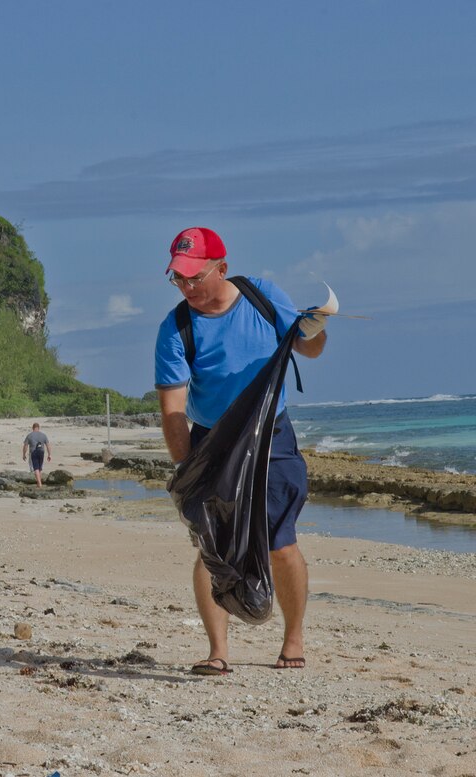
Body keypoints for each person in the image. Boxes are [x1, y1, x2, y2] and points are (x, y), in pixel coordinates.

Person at [154, 226, 329, 676]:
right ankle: (218, 650)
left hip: (272, 436)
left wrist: (315, 328)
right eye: (179, 278)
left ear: (222, 268)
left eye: (195, 277)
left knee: (280, 543)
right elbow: (173, 410)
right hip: (212, 442)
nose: (187, 287)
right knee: (212, 544)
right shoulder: (175, 329)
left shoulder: (261, 297)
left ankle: (293, 639)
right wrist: (187, 472)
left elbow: (309, 349)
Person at [22, 422, 52, 487]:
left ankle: (39, 484)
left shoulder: (29, 435)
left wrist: (24, 454)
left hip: (33, 452)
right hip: (41, 452)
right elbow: (48, 445)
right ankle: (39, 483)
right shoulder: (43, 435)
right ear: (38, 428)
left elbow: (25, 446)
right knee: (39, 468)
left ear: (33, 428)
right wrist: (49, 454)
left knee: (35, 468)